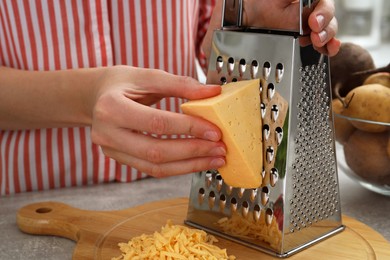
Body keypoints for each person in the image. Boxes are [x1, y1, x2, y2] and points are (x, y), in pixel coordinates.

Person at [0, 0, 340, 195]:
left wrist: (246, 20)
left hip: (177, 192)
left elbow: (208, 25)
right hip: (34, 198)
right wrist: (84, 97)